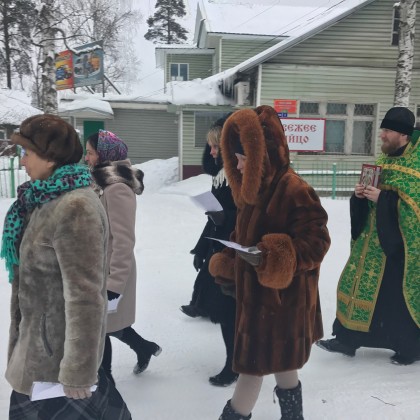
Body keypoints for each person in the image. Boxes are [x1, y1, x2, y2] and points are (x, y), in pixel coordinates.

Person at [3, 114, 131, 419]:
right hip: (37, 354)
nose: (22, 163)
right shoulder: (42, 198)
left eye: (27, 154)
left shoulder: (75, 207)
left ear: (51, 158)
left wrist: (77, 371)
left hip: (57, 366)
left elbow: (86, 298)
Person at [208, 106, 331, 419]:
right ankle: (294, 416)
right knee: (283, 362)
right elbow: (242, 235)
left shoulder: (294, 189)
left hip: (283, 304)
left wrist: (276, 258)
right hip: (260, 305)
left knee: (252, 369)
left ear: (263, 154)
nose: (236, 164)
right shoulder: (254, 192)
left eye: (243, 157)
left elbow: (317, 242)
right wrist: (230, 258)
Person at [317, 106, 420, 366]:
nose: (382, 135)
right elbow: (371, 197)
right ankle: (347, 339)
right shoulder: (384, 160)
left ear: (403, 135)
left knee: (395, 299)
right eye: (383, 129)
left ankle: (408, 348)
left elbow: (414, 209)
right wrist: (360, 196)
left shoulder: (416, 164)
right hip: (370, 244)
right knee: (357, 286)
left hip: (400, 249)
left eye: (387, 130)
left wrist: (385, 199)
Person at [85, 130, 162, 384]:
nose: (87, 158)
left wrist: (115, 284)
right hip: (101, 268)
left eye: (91, 152)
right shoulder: (103, 183)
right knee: (109, 325)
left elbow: (124, 239)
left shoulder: (117, 188)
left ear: (105, 154)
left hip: (114, 269)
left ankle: (105, 385)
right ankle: (144, 348)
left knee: (101, 329)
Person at [180, 115, 239, 386]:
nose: (212, 152)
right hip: (220, 245)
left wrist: (225, 219)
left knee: (229, 311)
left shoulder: (239, 176)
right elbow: (215, 216)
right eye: (211, 147)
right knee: (226, 310)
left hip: (235, 251)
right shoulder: (221, 175)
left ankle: (235, 364)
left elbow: (244, 217)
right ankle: (235, 361)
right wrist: (201, 248)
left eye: (216, 147)